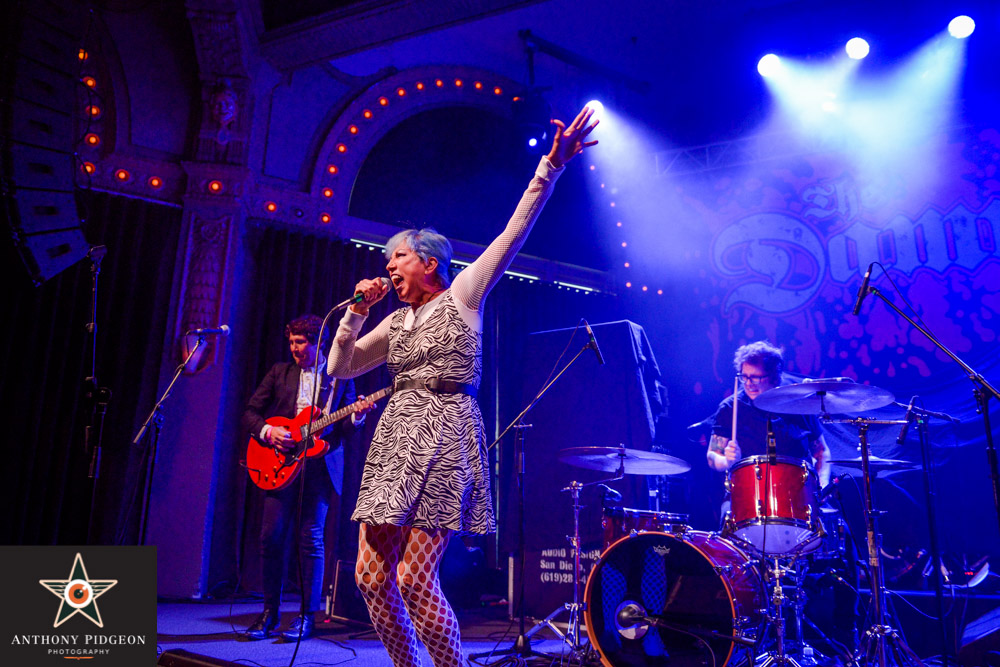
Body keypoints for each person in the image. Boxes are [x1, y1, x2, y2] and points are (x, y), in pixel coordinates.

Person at [326, 106, 598, 667]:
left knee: (414, 578)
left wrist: (551, 166)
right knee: (371, 577)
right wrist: (355, 313)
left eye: (396, 256)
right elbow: (340, 369)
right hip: (397, 435)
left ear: (428, 262)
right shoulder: (394, 320)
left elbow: (511, 235)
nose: (388, 266)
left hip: (447, 433)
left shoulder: (463, 296)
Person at [241, 314, 372, 641]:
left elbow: (343, 431)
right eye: (292, 343)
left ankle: (306, 616)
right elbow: (249, 414)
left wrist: (355, 418)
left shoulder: (340, 377)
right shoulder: (279, 372)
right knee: (271, 537)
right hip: (279, 462)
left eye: (302, 343)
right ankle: (269, 613)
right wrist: (270, 432)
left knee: (310, 538)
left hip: (320, 465)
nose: (296, 349)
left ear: (320, 342)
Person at [706, 340, 831, 486]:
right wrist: (727, 461)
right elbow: (712, 456)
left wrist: (822, 484)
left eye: (756, 377)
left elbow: (821, 451)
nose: (748, 383)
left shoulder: (799, 404)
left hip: (798, 491)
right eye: (744, 377)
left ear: (773, 377)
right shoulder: (730, 407)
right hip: (747, 491)